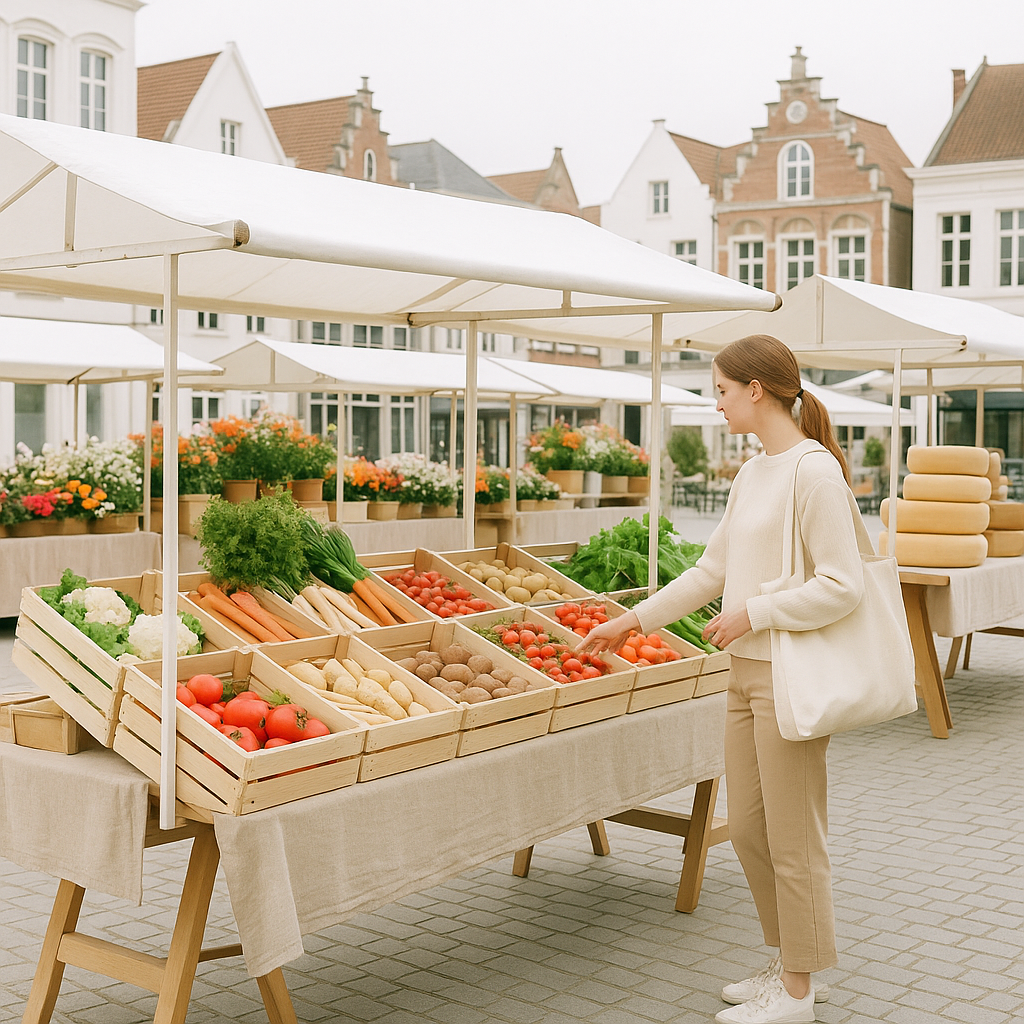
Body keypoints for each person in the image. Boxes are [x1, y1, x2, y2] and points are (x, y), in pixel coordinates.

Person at [580, 334, 865, 1024]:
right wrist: (633, 620)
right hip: (742, 675)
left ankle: (798, 990)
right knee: (749, 833)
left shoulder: (813, 472)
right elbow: (710, 572)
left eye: (721, 390)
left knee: (793, 838)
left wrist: (755, 611)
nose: (717, 403)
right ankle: (787, 962)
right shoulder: (752, 474)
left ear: (757, 389)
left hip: (788, 677)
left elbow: (844, 585)